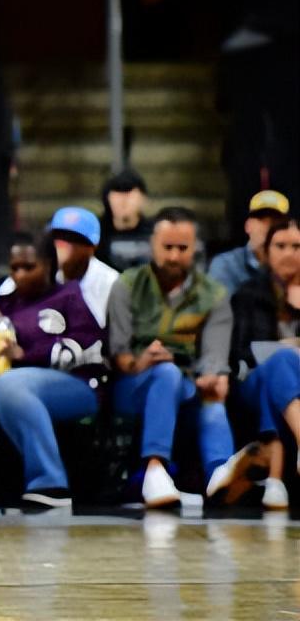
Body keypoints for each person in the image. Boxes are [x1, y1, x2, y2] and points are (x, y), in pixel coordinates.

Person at [107, 207, 268, 509]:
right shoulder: (127, 284)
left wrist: (213, 377)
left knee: (212, 397)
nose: (174, 256)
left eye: (182, 248)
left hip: (187, 384)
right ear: (153, 245)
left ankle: (219, 474)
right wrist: (141, 362)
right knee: (165, 373)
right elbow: (120, 354)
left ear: (195, 249)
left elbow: (214, 354)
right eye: (167, 247)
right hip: (133, 385)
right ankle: (155, 469)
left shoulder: (213, 294)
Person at [0, 234, 107, 509]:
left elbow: (90, 346)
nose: (20, 275)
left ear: (49, 264)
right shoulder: (3, 302)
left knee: (11, 384)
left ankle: (50, 483)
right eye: (14, 268)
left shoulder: (69, 295)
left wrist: (27, 354)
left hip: (77, 385)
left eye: (29, 267)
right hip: (8, 384)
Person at [229, 216, 300, 510]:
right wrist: (287, 349)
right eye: (280, 246)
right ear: (267, 251)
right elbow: (240, 353)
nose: (288, 253)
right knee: (279, 363)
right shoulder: (249, 293)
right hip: (252, 382)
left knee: (281, 374)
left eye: (296, 246)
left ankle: (275, 480)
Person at [208, 190, 290, 296]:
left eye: (276, 221)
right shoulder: (226, 265)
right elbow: (219, 305)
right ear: (247, 226)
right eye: (261, 218)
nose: (268, 226)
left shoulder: (293, 265)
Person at [49, 206, 120, 328]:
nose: (62, 246)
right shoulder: (39, 275)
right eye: (58, 237)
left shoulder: (111, 282)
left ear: (93, 246)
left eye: (72, 239)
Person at [96, 168, 154, 272]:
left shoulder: (155, 231)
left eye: (129, 194)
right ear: (107, 199)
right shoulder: (96, 233)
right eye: (118, 193)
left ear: (143, 198)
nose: (123, 201)